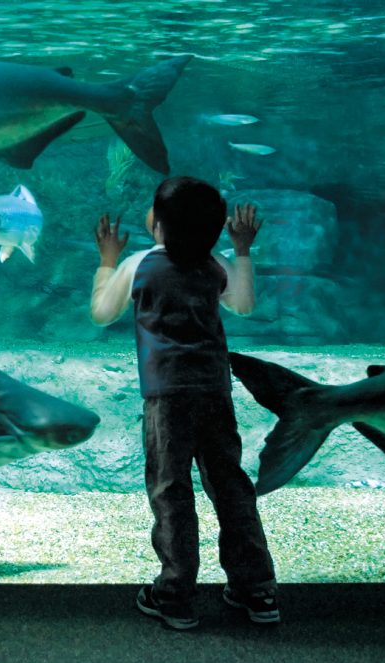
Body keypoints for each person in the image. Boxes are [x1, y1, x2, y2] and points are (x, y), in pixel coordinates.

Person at [90, 176, 278, 630]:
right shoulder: (215, 264)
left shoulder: (138, 264)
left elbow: (101, 313)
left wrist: (107, 261)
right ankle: (256, 589)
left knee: (171, 490)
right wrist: (243, 251)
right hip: (214, 392)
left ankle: (175, 594)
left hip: (166, 397)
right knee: (230, 486)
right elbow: (244, 305)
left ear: (159, 224)